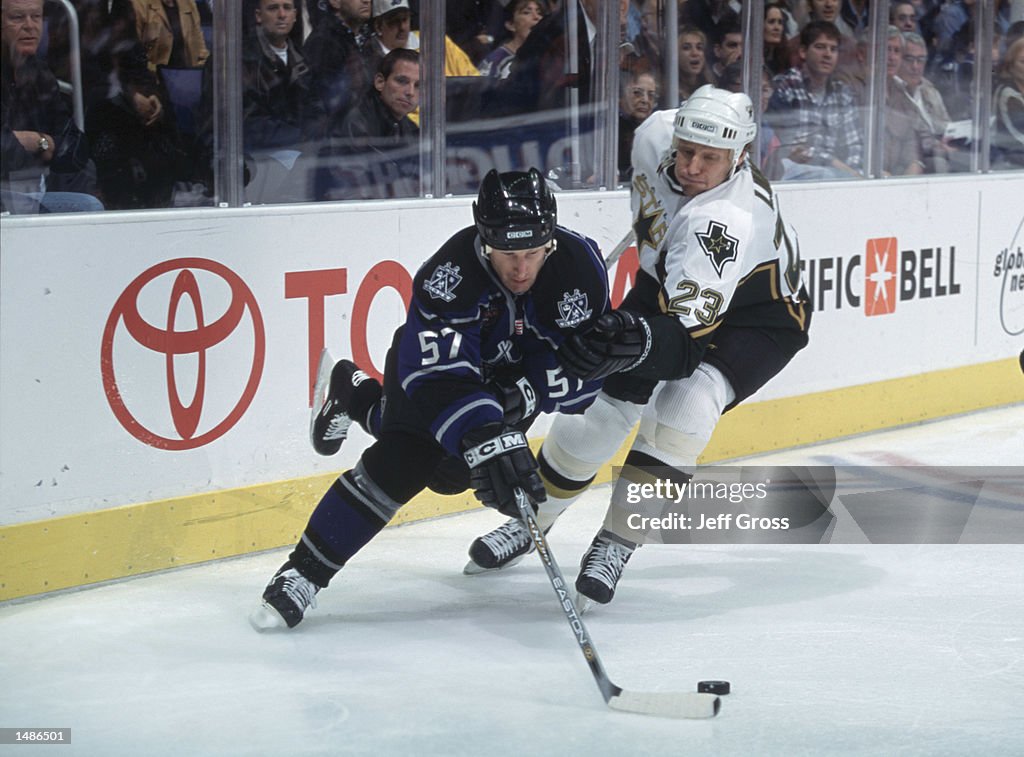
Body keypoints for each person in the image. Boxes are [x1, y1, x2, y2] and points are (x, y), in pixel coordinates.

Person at [464, 85, 811, 607]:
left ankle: (618, 539)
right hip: (664, 281)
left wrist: (631, 341)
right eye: (687, 150)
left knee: (684, 408)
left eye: (710, 159)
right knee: (599, 410)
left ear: (740, 157)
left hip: (758, 316)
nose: (692, 166)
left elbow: (684, 349)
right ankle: (534, 519)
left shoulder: (726, 223)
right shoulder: (654, 135)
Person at [250, 168, 613, 630]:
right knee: (407, 457)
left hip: (507, 392)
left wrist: (522, 395)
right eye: (507, 255)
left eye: (532, 253)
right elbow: (440, 377)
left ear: (550, 243)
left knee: (449, 473)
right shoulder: (450, 274)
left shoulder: (579, 267)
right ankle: (301, 574)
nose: (521, 269)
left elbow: (584, 371)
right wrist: (485, 429)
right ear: (485, 242)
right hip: (432, 373)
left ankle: (353, 391)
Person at [1, 0, 104, 213]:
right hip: (8, 194)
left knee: (87, 204)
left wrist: (36, 142)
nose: (30, 26)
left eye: (36, 17)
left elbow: (75, 147)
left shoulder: (39, 73)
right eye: (18, 17)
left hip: (30, 190)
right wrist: (44, 146)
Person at [241, 0, 328, 203]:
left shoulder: (302, 59)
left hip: (299, 152)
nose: (282, 14)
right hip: (258, 159)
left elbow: (318, 110)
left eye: (287, 8)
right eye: (273, 8)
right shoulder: (241, 59)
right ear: (258, 15)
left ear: (296, 15)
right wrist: (300, 137)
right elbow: (249, 124)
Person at [317, 47, 420, 200]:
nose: (410, 92)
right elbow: (353, 190)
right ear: (380, 82)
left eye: (418, 85)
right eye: (402, 81)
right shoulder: (355, 123)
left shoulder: (409, 129)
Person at [767, 19, 864, 180]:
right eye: (820, 47)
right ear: (803, 52)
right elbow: (791, 147)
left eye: (833, 49)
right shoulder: (785, 85)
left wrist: (852, 174)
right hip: (793, 174)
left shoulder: (843, 92)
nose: (827, 54)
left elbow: (854, 145)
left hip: (838, 177)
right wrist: (836, 164)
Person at [893, 31, 957, 172]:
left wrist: (952, 137)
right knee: (938, 161)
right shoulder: (891, 91)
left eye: (920, 60)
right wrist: (936, 145)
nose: (915, 66)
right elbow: (909, 138)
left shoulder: (929, 90)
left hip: (943, 148)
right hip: (916, 157)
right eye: (909, 59)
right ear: (898, 59)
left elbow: (947, 124)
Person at [303, 0, 374, 122]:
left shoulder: (365, 38)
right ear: (335, 2)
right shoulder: (324, 43)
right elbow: (325, 107)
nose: (366, 1)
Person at [129, 0, 209, 71]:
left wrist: (203, 73)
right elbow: (133, 52)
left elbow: (199, 48)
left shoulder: (188, 3)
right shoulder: (138, 4)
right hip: (153, 78)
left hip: (186, 76)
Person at [478, 0, 545, 80]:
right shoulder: (496, 61)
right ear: (511, 25)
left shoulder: (547, 57)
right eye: (526, 12)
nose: (536, 17)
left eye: (540, 13)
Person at [618, 69, 657, 181]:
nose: (645, 100)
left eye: (651, 95)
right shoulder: (611, 129)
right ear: (621, 96)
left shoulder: (655, 129)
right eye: (637, 93)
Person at [992, 36, 1024, 169]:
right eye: (1023, 61)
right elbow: (1019, 134)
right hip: (1011, 158)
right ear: (1011, 65)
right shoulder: (1007, 93)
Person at [677, 25, 715, 101]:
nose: (695, 53)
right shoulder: (668, 94)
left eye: (699, 48)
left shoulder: (712, 88)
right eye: (686, 48)